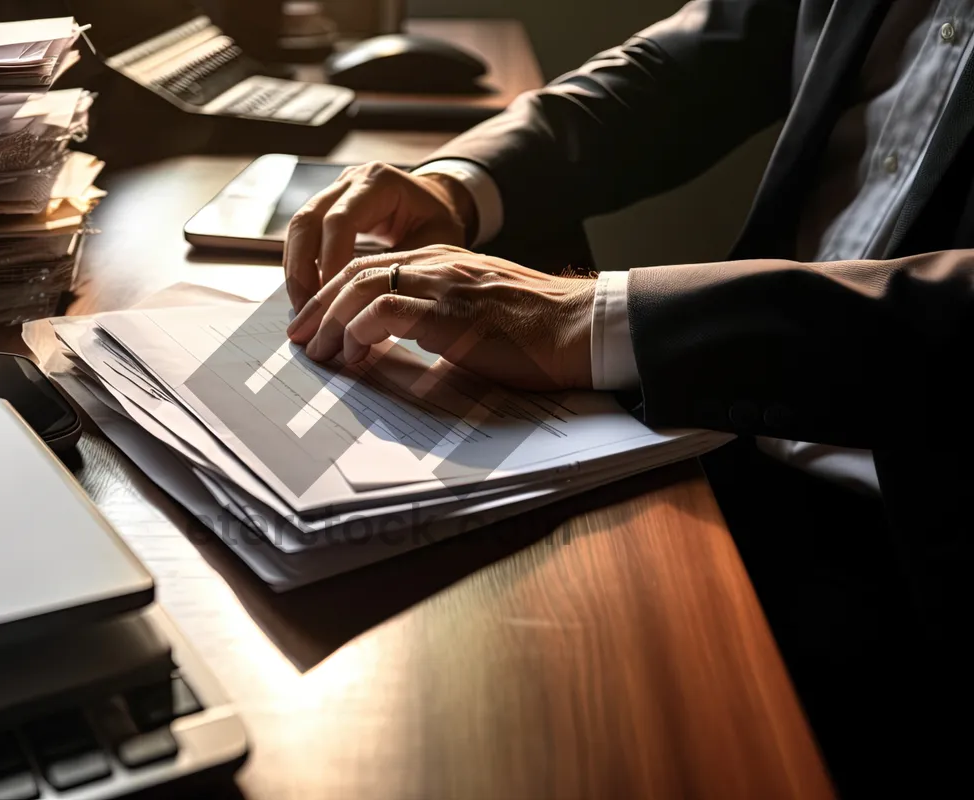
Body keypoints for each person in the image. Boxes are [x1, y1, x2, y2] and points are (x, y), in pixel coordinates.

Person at [283, 0, 972, 794]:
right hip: (732, 433)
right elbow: (700, 58)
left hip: (916, 554)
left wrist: (599, 317)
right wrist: (462, 185)